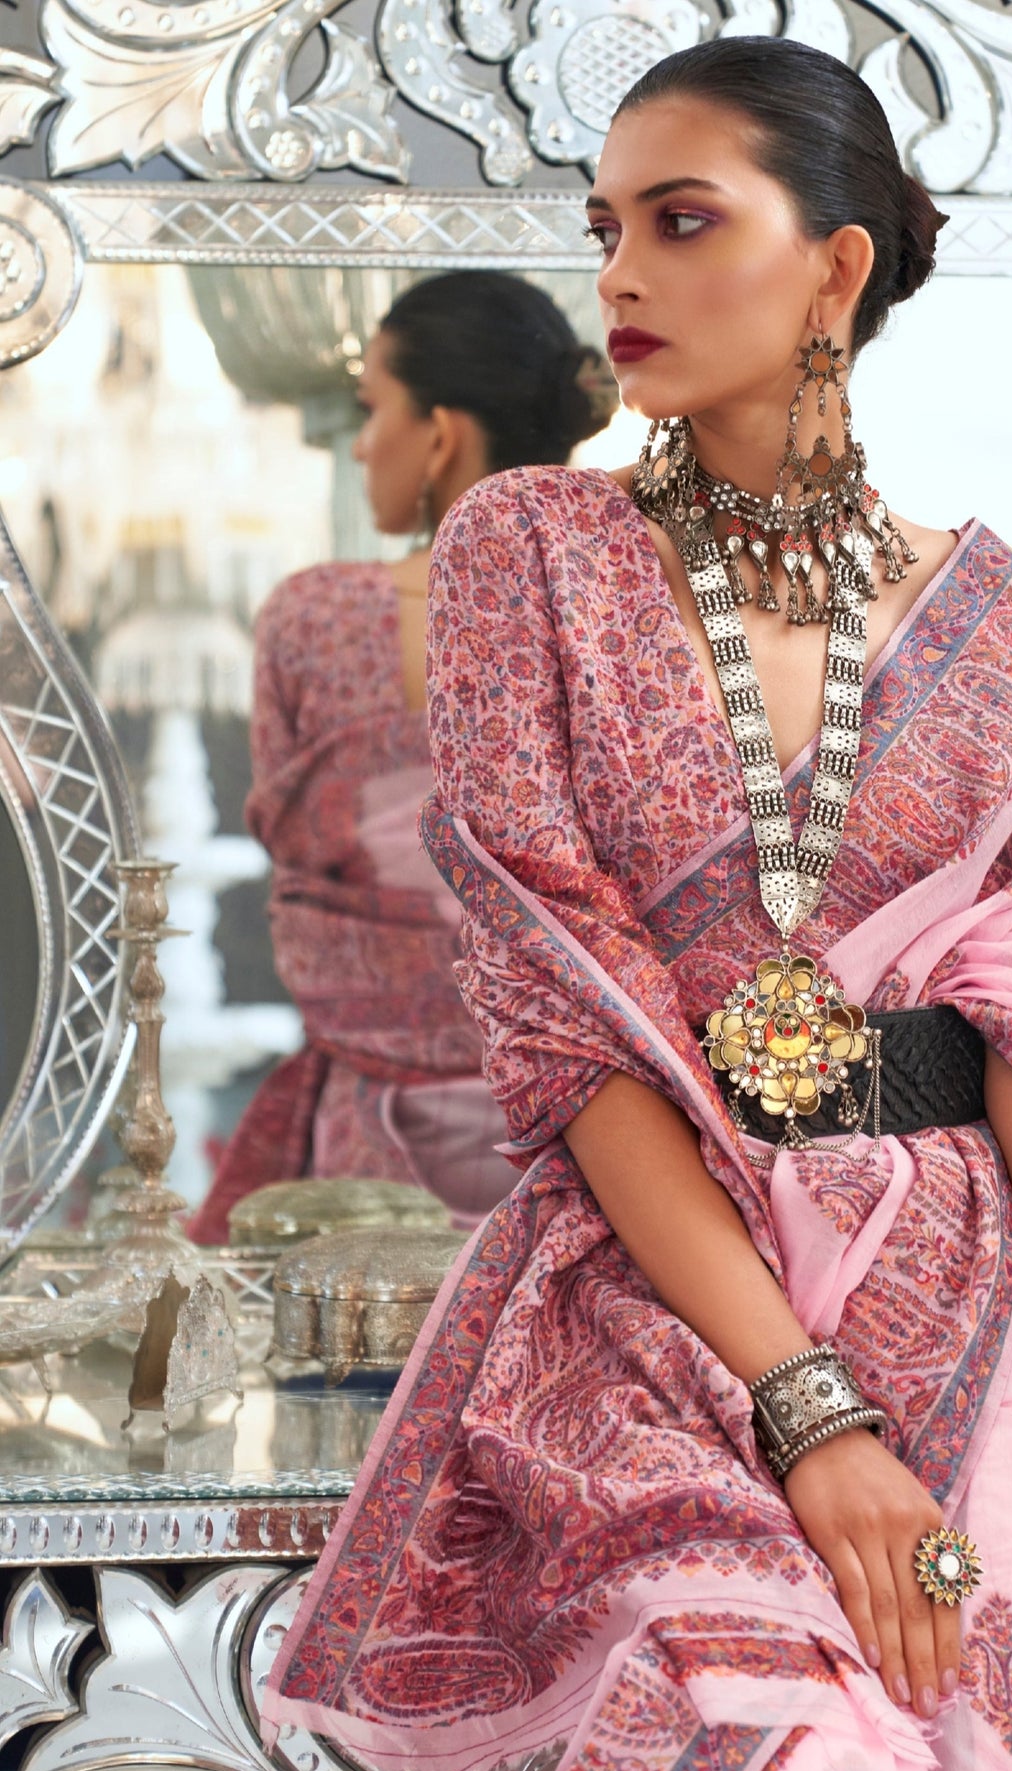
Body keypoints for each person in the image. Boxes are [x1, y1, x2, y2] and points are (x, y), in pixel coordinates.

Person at [263, 39, 1012, 1771]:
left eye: (686, 221)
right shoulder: (532, 560)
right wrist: (808, 1404)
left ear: (836, 270)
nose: (627, 267)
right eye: (609, 226)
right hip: (670, 1310)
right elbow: (568, 1018)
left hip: (985, 1321)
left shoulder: (1006, 621)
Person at [191, 272, 611, 1240]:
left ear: (441, 431)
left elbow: (297, 869)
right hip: (589, 1123)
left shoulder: (316, 615)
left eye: (373, 405)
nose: (361, 439)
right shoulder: (627, 622)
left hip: (371, 1142)